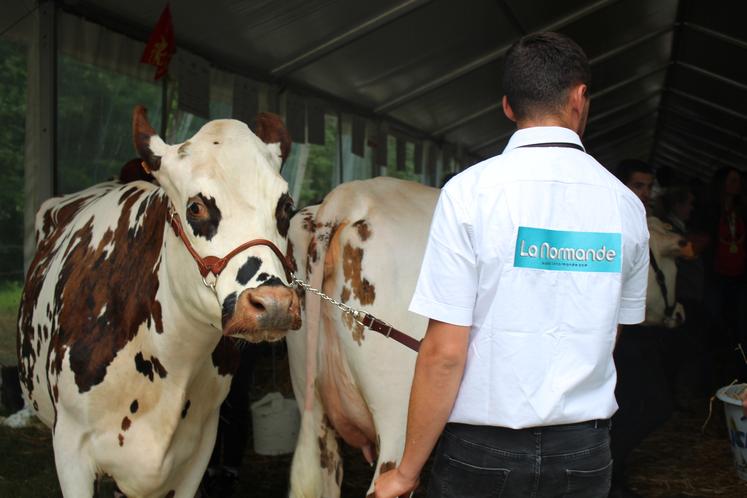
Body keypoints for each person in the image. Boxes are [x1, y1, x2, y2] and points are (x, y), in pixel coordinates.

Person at [374, 32, 649, 498]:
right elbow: (610, 332)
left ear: (507, 106)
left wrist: (406, 471)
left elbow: (444, 353)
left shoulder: (468, 194)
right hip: (583, 453)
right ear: (580, 97)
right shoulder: (626, 205)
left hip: (482, 452)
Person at [610, 160, 690, 498]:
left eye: (648, 186)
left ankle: (612, 470)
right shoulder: (615, 223)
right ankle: (609, 469)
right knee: (647, 404)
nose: (644, 193)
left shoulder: (649, 223)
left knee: (643, 404)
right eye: (638, 185)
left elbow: (684, 249)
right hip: (628, 332)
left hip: (650, 331)